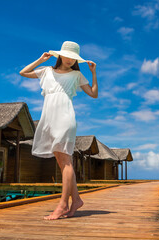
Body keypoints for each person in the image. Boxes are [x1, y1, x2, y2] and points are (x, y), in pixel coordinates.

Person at [19, 41, 98, 220]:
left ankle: (63, 205)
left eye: (73, 58)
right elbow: (23, 73)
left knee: (66, 161)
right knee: (63, 162)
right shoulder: (46, 71)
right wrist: (41, 59)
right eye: (67, 56)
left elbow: (93, 94)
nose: (70, 60)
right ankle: (76, 200)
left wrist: (93, 73)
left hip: (65, 117)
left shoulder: (77, 74)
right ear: (60, 55)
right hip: (49, 117)